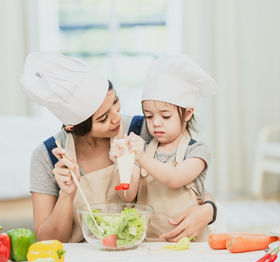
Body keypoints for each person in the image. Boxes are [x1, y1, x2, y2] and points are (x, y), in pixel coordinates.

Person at [20, 52, 217, 243]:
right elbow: (47, 240)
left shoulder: (144, 131)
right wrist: (66, 194)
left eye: (115, 102)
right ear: (73, 127)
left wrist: (209, 210)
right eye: (104, 118)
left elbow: (189, 184)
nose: (116, 118)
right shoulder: (48, 157)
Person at [110, 55, 216, 241]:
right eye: (149, 116)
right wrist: (122, 164)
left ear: (188, 113)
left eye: (165, 116)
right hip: (149, 242)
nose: (156, 123)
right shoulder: (144, 149)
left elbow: (174, 178)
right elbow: (127, 195)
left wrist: (140, 157)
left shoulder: (197, 151)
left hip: (190, 244)